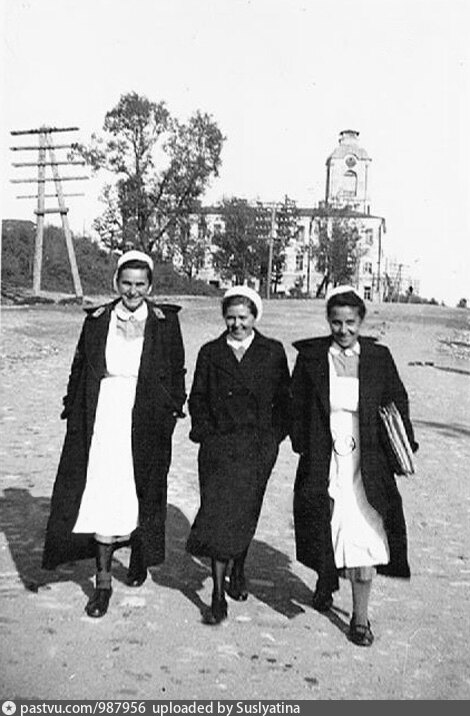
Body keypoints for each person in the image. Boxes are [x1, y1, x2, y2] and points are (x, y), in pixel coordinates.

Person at [42, 250, 186, 618]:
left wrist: (171, 412)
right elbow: (80, 365)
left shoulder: (165, 321)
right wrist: (73, 408)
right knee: (103, 491)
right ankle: (103, 582)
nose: (133, 291)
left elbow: (176, 371)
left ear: (150, 286)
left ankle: (139, 554)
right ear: (116, 283)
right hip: (104, 414)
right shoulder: (98, 319)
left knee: (141, 488)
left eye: (140, 284)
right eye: (126, 283)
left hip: (146, 416)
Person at [290, 285, 418, 646]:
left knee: (364, 533)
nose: (343, 330)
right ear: (328, 321)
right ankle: (326, 579)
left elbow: (397, 399)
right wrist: (304, 444)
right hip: (324, 456)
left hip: (368, 459)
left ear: (361, 321)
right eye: (336, 322)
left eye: (350, 323)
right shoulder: (312, 359)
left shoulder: (378, 357)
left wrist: (402, 443)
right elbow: (296, 405)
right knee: (325, 524)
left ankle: (360, 618)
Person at [186, 286, 291, 625]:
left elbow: (285, 399)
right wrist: (206, 431)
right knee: (218, 514)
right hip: (218, 447)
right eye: (230, 318)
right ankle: (217, 594)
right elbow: (197, 397)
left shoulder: (272, 352)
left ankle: (239, 569)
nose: (237, 324)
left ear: (255, 317)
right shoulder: (210, 352)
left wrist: (273, 437)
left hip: (257, 448)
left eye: (243, 317)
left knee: (245, 511)